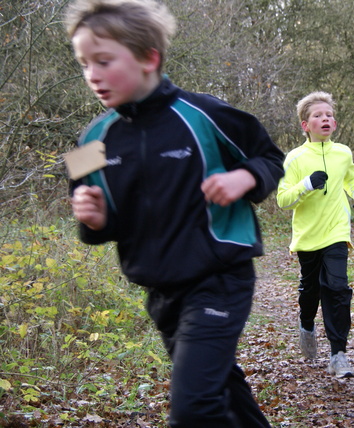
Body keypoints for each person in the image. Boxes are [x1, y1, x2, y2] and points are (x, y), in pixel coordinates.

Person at [64, 0, 284, 426]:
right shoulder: (89, 141)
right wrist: (91, 219)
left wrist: (246, 179)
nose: (92, 74)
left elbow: (271, 158)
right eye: (84, 63)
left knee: (193, 408)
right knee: (224, 392)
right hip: (161, 291)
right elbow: (95, 222)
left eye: (104, 61)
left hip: (219, 278)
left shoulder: (205, 114)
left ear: (150, 58)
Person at [276, 91, 354, 378]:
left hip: (337, 232)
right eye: (318, 115)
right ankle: (306, 324)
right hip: (307, 235)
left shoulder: (343, 152)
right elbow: (283, 200)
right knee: (311, 290)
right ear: (305, 125)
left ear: (335, 122)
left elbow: (350, 176)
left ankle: (338, 354)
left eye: (328, 115)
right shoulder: (295, 158)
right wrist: (306, 184)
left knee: (338, 288)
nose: (325, 119)